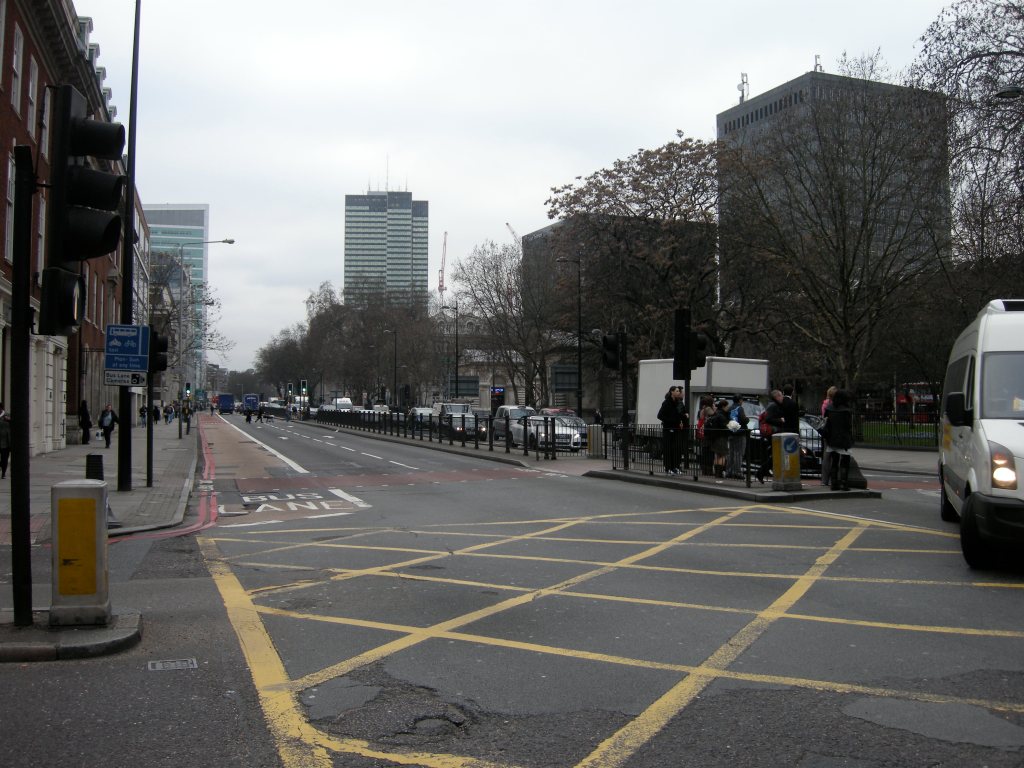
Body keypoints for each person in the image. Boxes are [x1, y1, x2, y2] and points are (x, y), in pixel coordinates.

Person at [820, 389, 856, 490]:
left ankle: (834, 483)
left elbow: (826, 422)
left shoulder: (829, 408)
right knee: (845, 461)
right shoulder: (846, 410)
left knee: (834, 461)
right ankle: (844, 483)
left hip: (832, 438)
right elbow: (848, 426)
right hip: (843, 439)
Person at [756, 390, 786, 484]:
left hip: (775, 434)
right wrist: (780, 420)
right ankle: (761, 472)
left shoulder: (774, 405)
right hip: (774, 434)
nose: (782, 397)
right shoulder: (773, 405)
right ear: (777, 397)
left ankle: (762, 472)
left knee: (776, 455)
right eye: (781, 396)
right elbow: (768, 419)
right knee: (776, 455)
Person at [657, 386, 686, 475]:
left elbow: (678, 415)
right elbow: (660, 415)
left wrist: (681, 420)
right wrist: (670, 421)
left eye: (679, 391)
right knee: (668, 449)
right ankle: (668, 467)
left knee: (676, 449)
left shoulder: (677, 403)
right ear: (672, 392)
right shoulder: (666, 403)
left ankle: (675, 467)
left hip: (676, 429)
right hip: (668, 429)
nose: (679, 392)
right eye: (677, 391)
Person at [726, 395, 749, 479]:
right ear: (739, 400)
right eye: (742, 400)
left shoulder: (729, 408)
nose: (742, 402)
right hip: (740, 433)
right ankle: (737, 472)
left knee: (731, 453)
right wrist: (747, 419)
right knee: (739, 453)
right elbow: (743, 419)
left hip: (731, 432)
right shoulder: (740, 408)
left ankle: (729, 471)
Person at [707, 399, 731, 478]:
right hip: (722, 437)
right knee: (722, 455)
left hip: (715, 437)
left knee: (717, 456)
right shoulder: (722, 416)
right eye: (727, 406)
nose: (728, 408)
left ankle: (716, 472)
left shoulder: (716, 414)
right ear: (723, 406)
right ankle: (719, 473)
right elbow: (725, 427)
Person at [820, 386, 838, 486]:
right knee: (834, 455)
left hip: (826, 432)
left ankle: (824, 480)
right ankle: (832, 478)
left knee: (826, 456)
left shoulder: (825, 404)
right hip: (834, 432)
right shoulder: (835, 405)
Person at [0, 404, 10, 479]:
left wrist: (9, 420)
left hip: (6, 442)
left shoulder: (7, 415)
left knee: (4, 459)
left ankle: (3, 473)